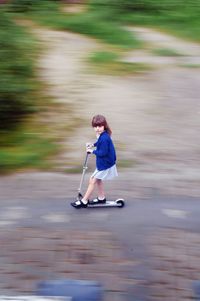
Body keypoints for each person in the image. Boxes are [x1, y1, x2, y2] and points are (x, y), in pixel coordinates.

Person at [71, 114, 118, 208]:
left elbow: (103, 152)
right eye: (95, 126)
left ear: (104, 125)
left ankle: (84, 201)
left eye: (100, 126)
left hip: (106, 163)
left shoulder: (105, 138)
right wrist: (93, 144)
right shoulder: (103, 135)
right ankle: (101, 197)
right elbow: (99, 143)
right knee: (98, 180)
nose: (97, 128)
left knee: (92, 180)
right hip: (104, 163)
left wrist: (92, 151)